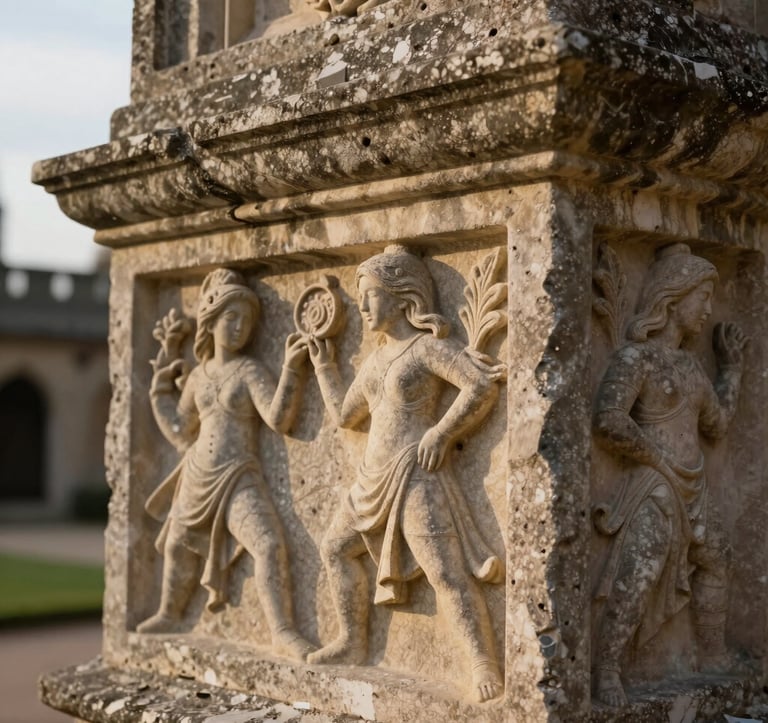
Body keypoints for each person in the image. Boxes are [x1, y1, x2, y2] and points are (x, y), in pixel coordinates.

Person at [306, 245, 505, 702]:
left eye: (371, 295)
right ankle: (353, 640)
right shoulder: (375, 361)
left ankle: (482, 663)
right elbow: (344, 414)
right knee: (335, 548)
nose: (363, 306)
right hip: (370, 481)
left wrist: (440, 431)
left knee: (447, 575)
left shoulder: (427, 348)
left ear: (402, 297)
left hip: (415, 475)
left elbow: (479, 386)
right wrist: (324, 364)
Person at [592, 244, 746, 706]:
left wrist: (733, 371)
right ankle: (607, 668)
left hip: (692, 485)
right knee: (643, 568)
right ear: (672, 299)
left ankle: (713, 654)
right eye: (702, 296)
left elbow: (716, 425)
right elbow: (609, 420)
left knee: (717, 555)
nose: (708, 309)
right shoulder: (636, 359)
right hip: (653, 486)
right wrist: (656, 458)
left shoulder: (692, 367)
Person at [137, 268, 314, 662]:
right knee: (178, 546)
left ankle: (283, 631)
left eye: (247, 322)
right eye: (231, 319)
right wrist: (160, 391)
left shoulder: (250, 370)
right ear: (211, 322)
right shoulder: (199, 377)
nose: (240, 329)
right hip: (197, 472)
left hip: (238, 476)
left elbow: (278, 418)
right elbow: (182, 429)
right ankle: (170, 613)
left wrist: (290, 368)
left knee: (268, 544)